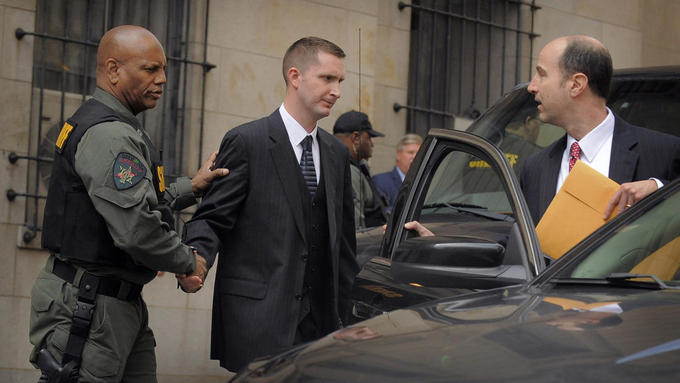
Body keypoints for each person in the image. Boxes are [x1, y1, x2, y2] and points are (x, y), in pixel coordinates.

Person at [29, 25, 226, 382]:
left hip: (114, 304)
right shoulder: (110, 135)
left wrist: (191, 187)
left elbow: (128, 203)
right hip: (89, 309)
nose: (162, 79)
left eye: (163, 69)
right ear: (113, 70)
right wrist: (187, 260)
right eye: (150, 69)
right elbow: (136, 229)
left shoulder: (115, 125)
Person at [181, 36, 360, 372]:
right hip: (259, 320)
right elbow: (214, 218)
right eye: (327, 78)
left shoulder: (336, 154)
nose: (336, 91)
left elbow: (344, 247)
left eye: (340, 81)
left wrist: (348, 317)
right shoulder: (247, 141)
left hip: (320, 329)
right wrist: (197, 258)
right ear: (295, 77)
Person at [520, 35, 680, 225]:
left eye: (542, 74)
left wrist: (662, 190)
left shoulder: (665, 152)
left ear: (576, 84)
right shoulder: (535, 168)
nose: (532, 86)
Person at [333, 110, 388, 228]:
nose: (371, 144)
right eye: (369, 138)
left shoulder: (336, 163)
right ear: (356, 138)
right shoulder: (349, 171)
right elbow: (356, 228)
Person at [373, 133, 423, 210]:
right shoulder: (381, 181)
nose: (415, 157)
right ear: (398, 155)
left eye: (419, 153)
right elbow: (380, 213)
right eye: (411, 152)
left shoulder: (425, 182)